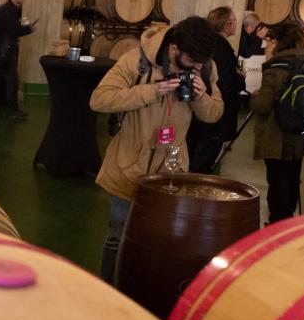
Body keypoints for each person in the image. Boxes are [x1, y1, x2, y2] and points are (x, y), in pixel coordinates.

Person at [90, 16, 225, 284]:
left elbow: (214, 114)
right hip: (128, 165)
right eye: (192, 63)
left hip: (171, 170)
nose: (197, 68)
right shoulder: (136, 60)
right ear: (174, 50)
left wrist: (201, 97)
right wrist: (152, 91)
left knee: (160, 241)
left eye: (202, 64)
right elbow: (99, 99)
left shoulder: (205, 67)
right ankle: (107, 290)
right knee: (118, 238)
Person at [250, 22, 304, 224]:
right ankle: (287, 220)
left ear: (277, 41)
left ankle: (276, 221)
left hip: (277, 134)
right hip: (302, 132)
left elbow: (263, 105)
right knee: (293, 176)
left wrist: (254, 97)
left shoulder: (277, 65)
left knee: (277, 180)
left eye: (269, 40)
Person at [187, 6, 248, 173]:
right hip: (213, 116)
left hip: (196, 113)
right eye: (235, 22)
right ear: (227, 25)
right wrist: (240, 79)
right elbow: (225, 86)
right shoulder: (223, 49)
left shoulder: (205, 45)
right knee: (202, 164)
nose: (236, 25)